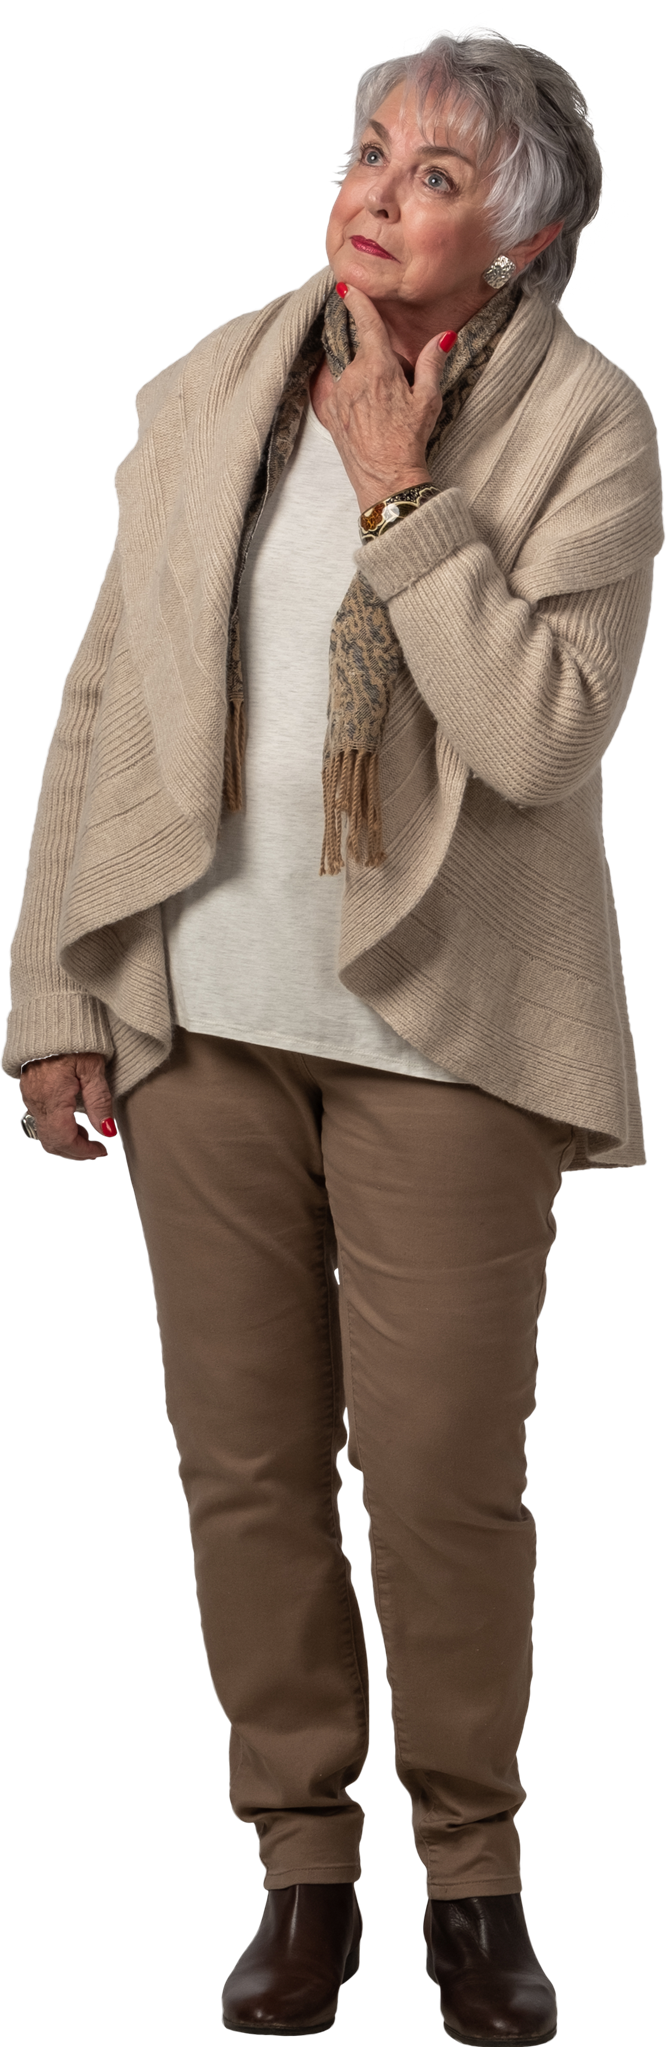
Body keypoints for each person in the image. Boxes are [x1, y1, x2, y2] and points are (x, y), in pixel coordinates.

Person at [5, 26, 663, 2044]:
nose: (374, 193)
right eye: (368, 151)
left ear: (522, 236)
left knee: (445, 1479)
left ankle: (472, 1880)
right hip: (203, 1009)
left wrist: (401, 500)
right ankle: (300, 1865)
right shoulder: (221, 379)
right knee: (245, 1469)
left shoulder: (587, 425)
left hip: (444, 1032)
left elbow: (543, 733)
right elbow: (106, 696)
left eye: (434, 174)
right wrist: (59, 993)